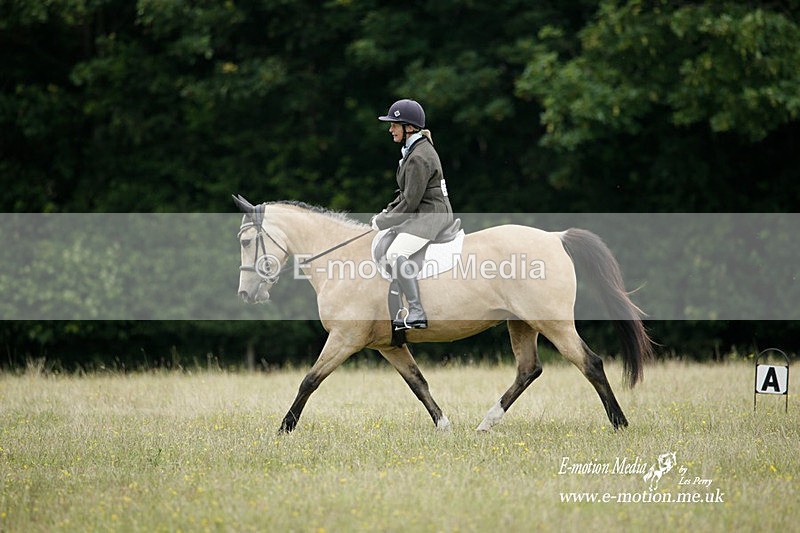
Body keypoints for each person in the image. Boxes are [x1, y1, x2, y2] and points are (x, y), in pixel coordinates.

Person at [371, 99, 453, 329]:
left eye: (394, 125)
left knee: (396, 253)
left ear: (409, 127)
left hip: (431, 216)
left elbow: (410, 202)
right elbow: (405, 194)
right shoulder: (415, 150)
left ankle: (416, 310)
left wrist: (384, 221)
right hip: (425, 212)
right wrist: (386, 212)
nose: (390, 129)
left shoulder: (418, 156)